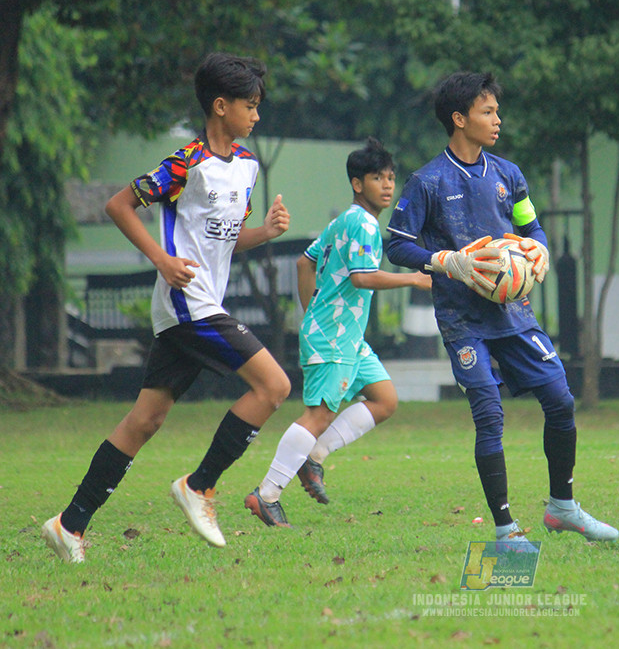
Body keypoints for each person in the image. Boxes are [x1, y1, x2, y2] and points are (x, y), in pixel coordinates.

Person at [42, 52, 292, 563]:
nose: (256, 115)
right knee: (274, 386)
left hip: (199, 306)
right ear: (220, 106)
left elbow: (226, 240)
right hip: (187, 304)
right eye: (249, 105)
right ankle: (200, 486)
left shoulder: (246, 166)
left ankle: (70, 524)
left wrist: (265, 232)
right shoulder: (185, 163)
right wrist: (161, 259)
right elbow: (119, 205)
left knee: (145, 420)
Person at [385, 71, 618, 549]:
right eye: (487, 112)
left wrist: (540, 250)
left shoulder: (509, 175)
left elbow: (531, 228)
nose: (497, 120)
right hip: (463, 321)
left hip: (514, 313)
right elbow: (397, 246)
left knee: (560, 400)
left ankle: (562, 507)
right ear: (459, 119)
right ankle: (505, 530)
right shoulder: (427, 181)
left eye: (496, 111)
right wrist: (445, 260)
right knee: (490, 415)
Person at [244, 137, 431, 527]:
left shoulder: (343, 221)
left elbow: (303, 263)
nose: (387, 185)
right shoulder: (362, 223)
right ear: (357, 184)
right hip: (334, 335)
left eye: (390, 177)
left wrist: (312, 312)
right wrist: (414, 278)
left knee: (384, 399)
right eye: (377, 178)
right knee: (319, 415)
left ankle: (312, 457)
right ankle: (267, 494)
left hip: (346, 337)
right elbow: (362, 277)